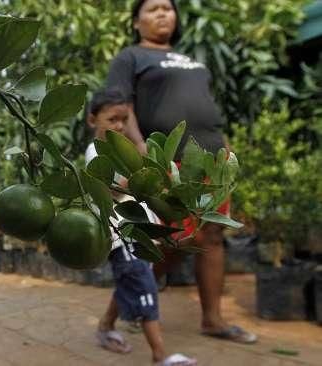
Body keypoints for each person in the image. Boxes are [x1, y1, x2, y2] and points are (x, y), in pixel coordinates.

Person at [103, 0, 256, 344]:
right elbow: (120, 107)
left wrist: (226, 149)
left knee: (212, 236)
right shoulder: (131, 57)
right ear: (136, 21)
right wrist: (142, 150)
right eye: (153, 8)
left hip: (211, 160)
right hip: (168, 159)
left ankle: (213, 320)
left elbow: (208, 108)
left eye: (168, 8)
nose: (162, 13)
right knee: (169, 239)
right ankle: (123, 310)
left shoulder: (194, 61)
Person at [87, 88, 197, 366]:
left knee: (131, 279)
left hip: (140, 228)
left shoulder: (125, 150)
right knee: (143, 283)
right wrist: (144, 175)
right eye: (112, 119)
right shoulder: (96, 153)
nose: (120, 125)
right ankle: (160, 355)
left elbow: (142, 164)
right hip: (121, 231)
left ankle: (104, 327)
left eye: (124, 119)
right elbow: (109, 190)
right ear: (93, 120)